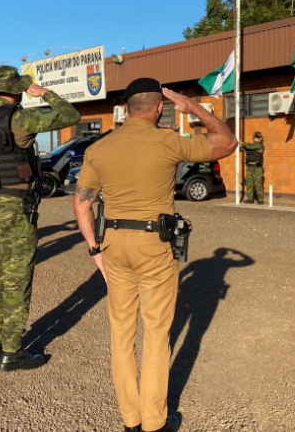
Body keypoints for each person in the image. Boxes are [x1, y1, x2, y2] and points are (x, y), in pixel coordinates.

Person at [72, 79, 237, 432]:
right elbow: (227, 142)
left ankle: (130, 419)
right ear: (158, 108)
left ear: (126, 108)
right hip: (154, 244)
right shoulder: (169, 142)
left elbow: (82, 202)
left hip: (114, 244)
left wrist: (93, 250)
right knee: (157, 334)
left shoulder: (100, 148)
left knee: (121, 334)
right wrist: (192, 107)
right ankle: (154, 421)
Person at [0, 65, 81, 371]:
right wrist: (44, 93)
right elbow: (71, 116)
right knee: (17, 276)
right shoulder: (19, 118)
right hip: (14, 207)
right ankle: (12, 350)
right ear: (16, 90)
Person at [242, 131, 265, 204]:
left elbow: (251, 147)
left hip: (257, 167)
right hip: (249, 167)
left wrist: (243, 143)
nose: (256, 139)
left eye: (258, 137)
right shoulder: (250, 145)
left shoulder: (260, 146)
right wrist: (240, 145)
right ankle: (250, 198)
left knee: (258, 183)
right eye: (255, 137)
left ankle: (260, 199)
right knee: (249, 183)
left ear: (261, 139)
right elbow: (242, 149)